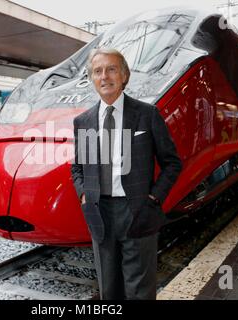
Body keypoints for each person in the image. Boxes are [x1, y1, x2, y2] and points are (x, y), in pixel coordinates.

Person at [71, 48, 182, 300]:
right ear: (92, 79)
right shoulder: (84, 121)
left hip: (138, 211)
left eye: (111, 69)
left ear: (124, 76)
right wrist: (84, 196)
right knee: (109, 291)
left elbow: (172, 163)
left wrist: (153, 199)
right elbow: (78, 168)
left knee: (139, 291)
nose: (104, 76)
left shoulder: (147, 114)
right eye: (97, 71)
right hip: (99, 214)